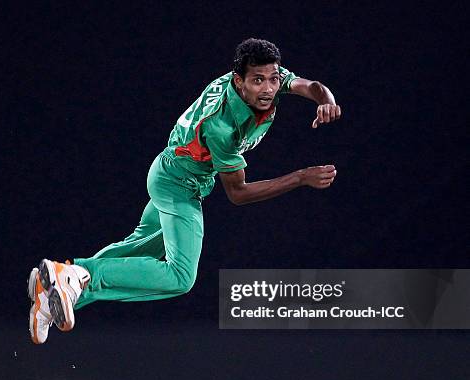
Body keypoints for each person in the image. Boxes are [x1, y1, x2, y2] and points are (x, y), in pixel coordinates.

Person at [27, 38, 341, 344]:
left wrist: (325, 99)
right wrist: (301, 177)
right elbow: (238, 193)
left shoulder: (262, 80)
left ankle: (52, 289)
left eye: (273, 79)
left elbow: (308, 85)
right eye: (258, 81)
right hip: (179, 184)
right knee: (180, 276)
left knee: (136, 250)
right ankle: (74, 276)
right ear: (239, 81)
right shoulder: (222, 126)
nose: (269, 89)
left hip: (171, 173)